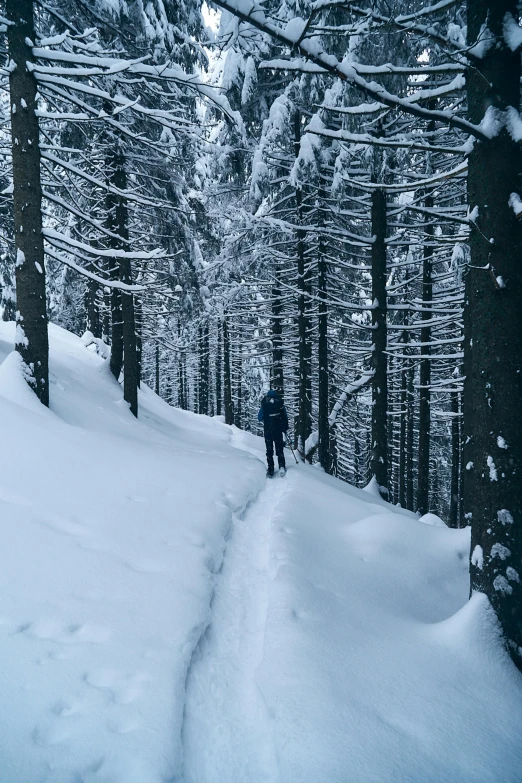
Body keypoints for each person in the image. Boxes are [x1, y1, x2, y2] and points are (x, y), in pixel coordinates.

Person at [258, 389, 288, 477]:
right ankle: (281, 466)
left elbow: (259, 417)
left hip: (268, 430)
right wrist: (284, 428)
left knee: (269, 450)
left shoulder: (265, 403)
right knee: (279, 448)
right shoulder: (279, 403)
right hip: (278, 430)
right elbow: (284, 416)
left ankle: (271, 469)